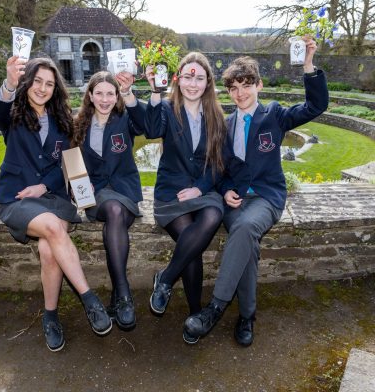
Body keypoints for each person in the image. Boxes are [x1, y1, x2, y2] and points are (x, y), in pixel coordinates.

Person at [184, 37, 329, 346]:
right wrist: (223, 192)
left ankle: (215, 308)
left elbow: (316, 105)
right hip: (236, 201)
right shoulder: (226, 124)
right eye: (234, 88)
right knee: (246, 246)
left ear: (258, 86)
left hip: (266, 198)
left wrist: (308, 65)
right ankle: (247, 316)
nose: (240, 93)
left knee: (248, 227)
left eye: (246, 85)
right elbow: (219, 170)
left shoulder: (274, 114)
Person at [0, 56, 111, 352]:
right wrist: (9, 83)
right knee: (54, 228)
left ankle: (50, 316)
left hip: (53, 197)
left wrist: (44, 185)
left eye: (50, 84)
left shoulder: (62, 120)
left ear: (56, 89)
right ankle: (90, 300)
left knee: (48, 248)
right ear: (28, 81)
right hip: (18, 199)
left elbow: (67, 165)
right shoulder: (13, 114)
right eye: (38, 81)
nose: (43, 88)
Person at [144, 52, 228, 344]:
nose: (193, 83)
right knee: (189, 245)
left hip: (203, 191)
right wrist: (155, 91)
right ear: (178, 79)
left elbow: (219, 163)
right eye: (188, 76)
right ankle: (195, 314)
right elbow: (152, 129)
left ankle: (165, 279)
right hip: (172, 194)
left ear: (208, 82)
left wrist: (201, 189)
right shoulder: (167, 109)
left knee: (213, 217)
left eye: (200, 77)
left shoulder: (217, 116)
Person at [72, 71, 146, 330]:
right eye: (99, 93)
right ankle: (124, 295)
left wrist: (129, 94)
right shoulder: (78, 123)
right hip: (97, 196)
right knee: (113, 210)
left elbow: (147, 124)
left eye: (110, 94)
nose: (104, 99)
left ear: (117, 97)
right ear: (90, 95)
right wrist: (80, 188)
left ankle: (118, 299)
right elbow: (72, 164)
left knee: (116, 215)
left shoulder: (125, 119)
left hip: (126, 191)